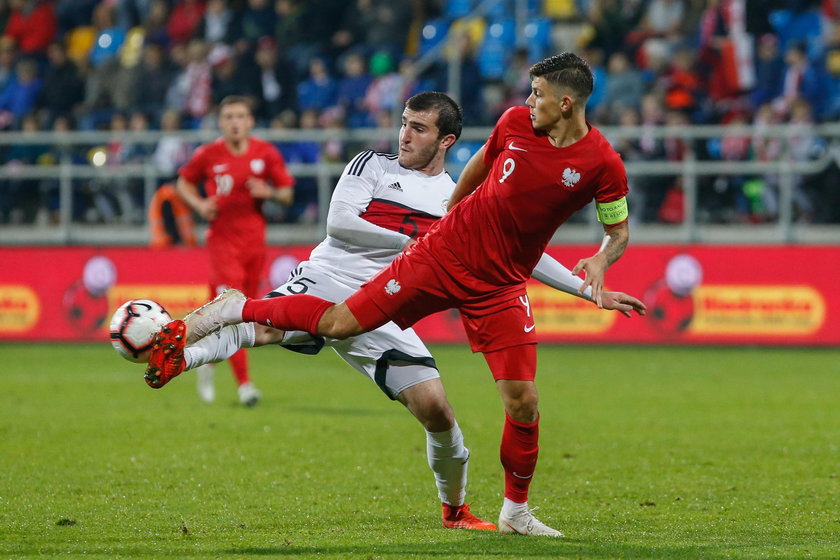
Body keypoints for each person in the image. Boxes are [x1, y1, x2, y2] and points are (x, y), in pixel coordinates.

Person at [151, 52, 641, 537]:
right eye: (404, 124)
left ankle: (467, 511)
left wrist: (589, 283)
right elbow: (341, 220)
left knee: (446, 407)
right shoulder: (376, 164)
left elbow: (557, 238)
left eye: (419, 128)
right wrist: (433, 228)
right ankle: (213, 326)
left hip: (475, 283)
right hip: (343, 274)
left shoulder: (598, 162)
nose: (404, 134)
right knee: (278, 327)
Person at [176, 95, 294, 406]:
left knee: (231, 312)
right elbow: (183, 183)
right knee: (236, 311)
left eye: (240, 116)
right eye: (228, 116)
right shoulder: (208, 154)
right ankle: (245, 386)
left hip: (254, 243)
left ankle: (204, 359)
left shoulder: (265, 153)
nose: (235, 122)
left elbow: (287, 193)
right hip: (222, 243)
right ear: (220, 122)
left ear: (250, 121)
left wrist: (269, 192)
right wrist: (200, 204)